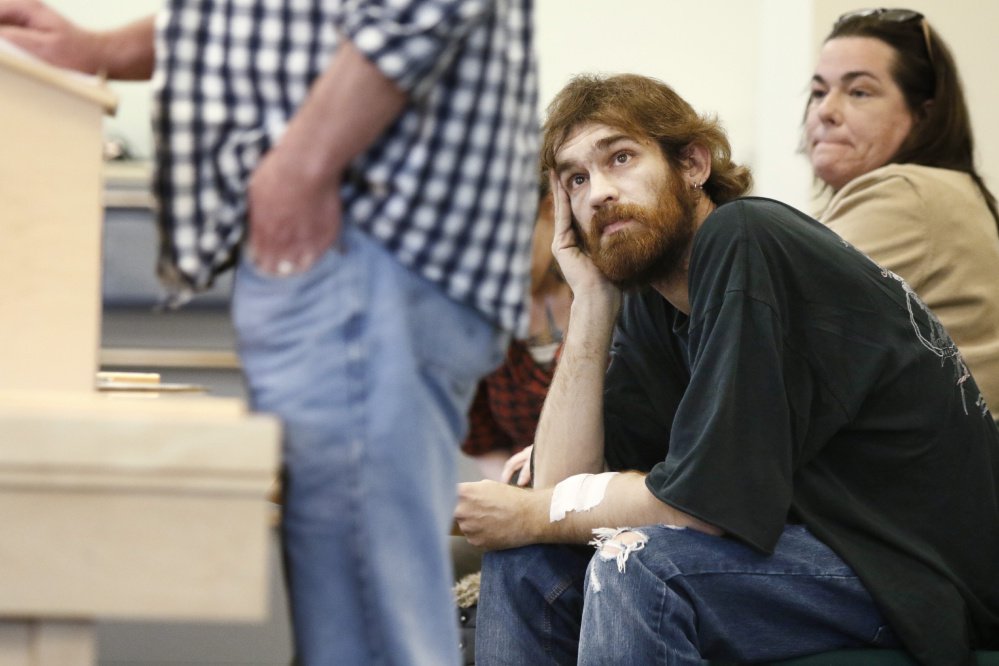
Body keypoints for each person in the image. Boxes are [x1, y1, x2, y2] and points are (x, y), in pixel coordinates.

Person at [0, 1, 540, 664]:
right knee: (352, 616)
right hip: (345, 254)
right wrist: (107, 49)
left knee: (370, 631)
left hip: (360, 241)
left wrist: (298, 170)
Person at [454, 72, 999, 665]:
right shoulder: (650, 298)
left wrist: (536, 510)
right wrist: (590, 301)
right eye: (576, 179)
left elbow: (698, 508)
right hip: (815, 545)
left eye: (621, 157)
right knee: (524, 558)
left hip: (914, 568)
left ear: (692, 163)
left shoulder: (745, 237)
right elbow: (560, 487)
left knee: (641, 563)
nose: (598, 193)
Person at [805, 8, 999, 418]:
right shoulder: (941, 190)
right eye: (819, 92)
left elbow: (764, 334)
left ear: (923, 115)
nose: (826, 111)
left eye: (859, 92)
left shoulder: (907, 195)